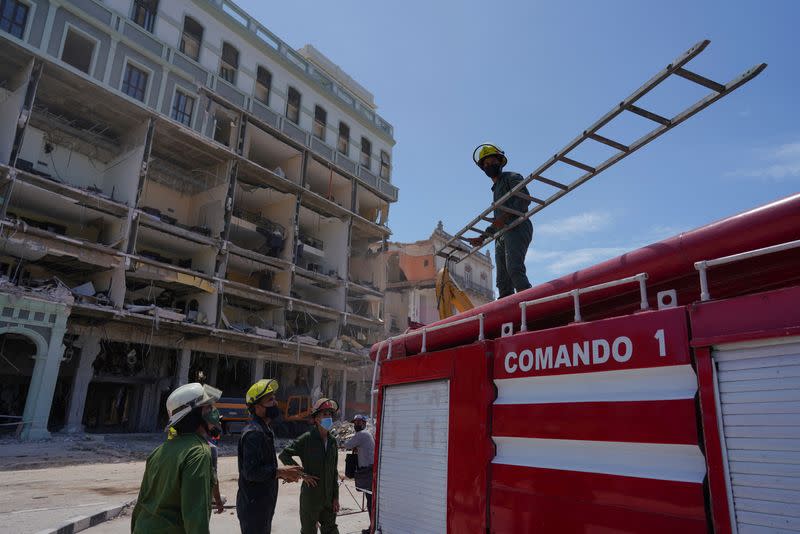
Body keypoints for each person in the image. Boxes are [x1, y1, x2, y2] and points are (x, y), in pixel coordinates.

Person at [131, 382, 223, 534]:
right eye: (208, 407)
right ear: (194, 415)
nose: (214, 412)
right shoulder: (198, 452)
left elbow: (141, 504)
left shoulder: (158, 451)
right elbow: (195, 516)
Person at [237, 378, 304, 534]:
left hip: (262, 503)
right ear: (257, 407)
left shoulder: (264, 430)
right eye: (269, 400)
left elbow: (263, 466)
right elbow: (251, 472)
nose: (275, 403)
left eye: (274, 398)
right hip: (253, 507)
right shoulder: (254, 433)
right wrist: (280, 472)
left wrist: (281, 474)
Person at [468, 143, 533, 298]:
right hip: (502, 233)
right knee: (502, 280)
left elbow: (524, 200)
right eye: (486, 164)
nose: (490, 166)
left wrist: (505, 218)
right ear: (483, 168)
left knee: (514, 269)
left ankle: (530, 303)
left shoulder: (512, 177)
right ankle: (508, 311)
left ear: (500, 162)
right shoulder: (495, 189)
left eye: (493, 162)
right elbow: (497, 222)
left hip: (517, 227)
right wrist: (482, 237)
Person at [279, 398, 341, 534]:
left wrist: (335, 497)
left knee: (331, 530)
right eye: (324, 414)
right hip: (311, 497)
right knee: (308, 531)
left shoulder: (332, 442)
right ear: (316, 418)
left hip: (328, 499)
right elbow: (284, 455)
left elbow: (334, 471)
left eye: (330, 414)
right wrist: (301, 474)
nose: (328, 417)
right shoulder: (306, 438)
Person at [342, 414, 375, 534]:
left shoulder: (362, 435)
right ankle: (373, 527)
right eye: (355, 423)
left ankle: (372, 528)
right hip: (368, 469)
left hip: (367, 471)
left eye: (359, 422)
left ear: (364, 423)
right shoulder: (365, 434)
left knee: (371, 501)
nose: (356, 425)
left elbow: (346, 445)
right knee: (370, 500)